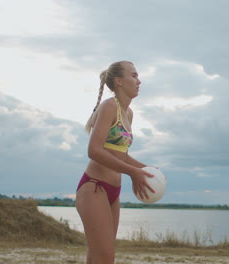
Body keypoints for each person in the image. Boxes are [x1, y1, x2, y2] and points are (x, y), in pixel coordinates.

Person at [75, 61, 155, 264]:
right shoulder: (110, 106)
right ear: (119, 81)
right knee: (105, 259)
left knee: (98, 258)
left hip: (113, 192)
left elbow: (121, 155)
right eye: (134, 76)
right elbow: (94, 150)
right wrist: (132, 172)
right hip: (94, 187)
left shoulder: (128, 114)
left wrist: (144, 169)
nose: (139, 81)